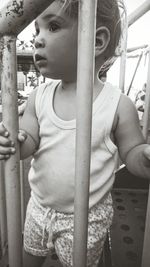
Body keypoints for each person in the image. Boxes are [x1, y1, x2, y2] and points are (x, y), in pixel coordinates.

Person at [0, 0, 150, 266]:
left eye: (53, 27)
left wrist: (146, 156)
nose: (37, 41)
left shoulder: (118, 105)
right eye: (36, 31)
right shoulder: (39, 96)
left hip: (87, 216)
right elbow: (29, 142)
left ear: (96, 41)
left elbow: (133, 154)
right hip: (39, 207)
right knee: (27, 257)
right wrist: (11, 141)